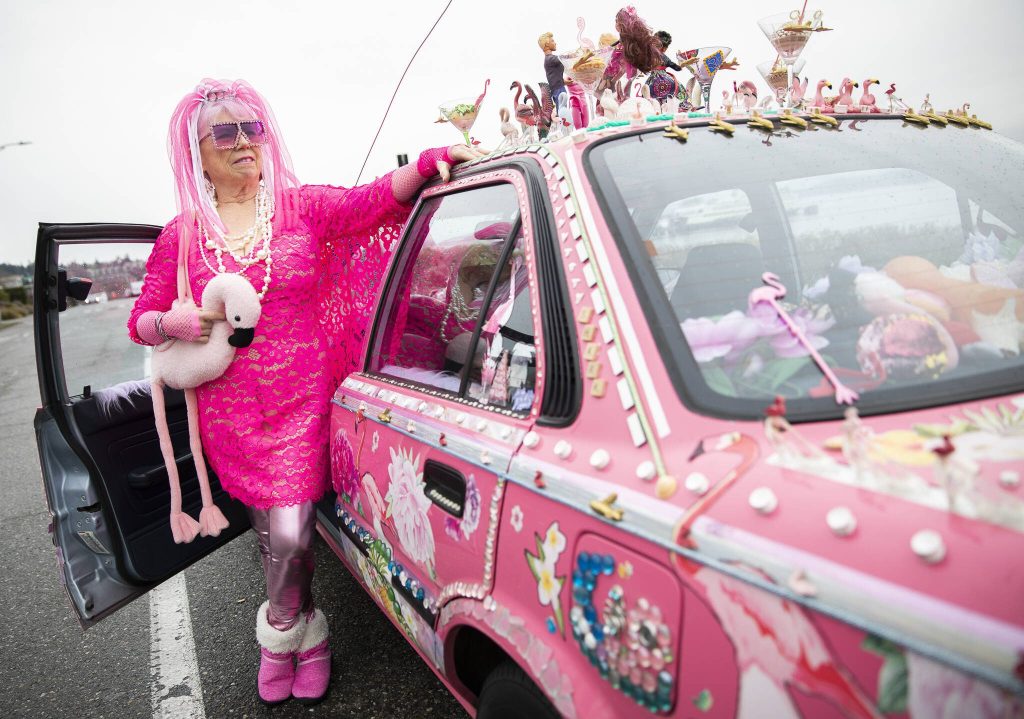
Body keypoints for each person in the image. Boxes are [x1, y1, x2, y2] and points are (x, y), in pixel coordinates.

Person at [127, 78, 484, 706]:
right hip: (231, 417)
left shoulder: (297, 208)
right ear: (197, 152)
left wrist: (427, 165)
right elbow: (142, 319)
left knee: (292, 534)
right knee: (272, 537)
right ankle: (309, 632)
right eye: (226, 133)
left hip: (302, 406)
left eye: (253, 129)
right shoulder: (180, 237)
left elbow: (366, 205)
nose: (244, 143)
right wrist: (172, 322)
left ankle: (283, 635)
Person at [538, 32, 567, 117]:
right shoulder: (550, 59)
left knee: (563, 111)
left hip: (558, 88)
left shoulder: (550, 59)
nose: (555, 43)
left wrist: (564, 81)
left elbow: (554, 77)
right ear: (547, 44)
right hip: (559, 90)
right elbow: (564, 59)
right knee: (563, 113)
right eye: (552, 41)